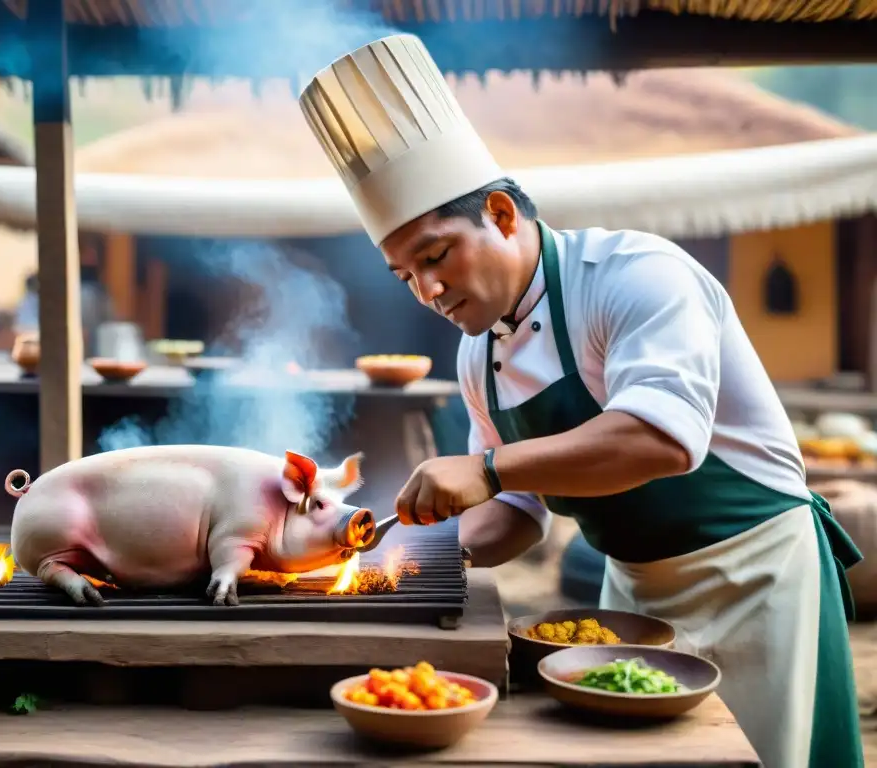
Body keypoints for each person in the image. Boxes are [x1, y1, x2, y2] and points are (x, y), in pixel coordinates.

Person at [299, 34, 863, 768]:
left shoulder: (635, 276)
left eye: (436, 257)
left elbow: (662, 440)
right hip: (631, 595)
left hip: (757, 580)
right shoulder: (478, 355)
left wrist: (491, 468)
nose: (428, 293)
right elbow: (516, 520)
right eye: (405, 276)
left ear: (502, 215)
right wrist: (410, 555)